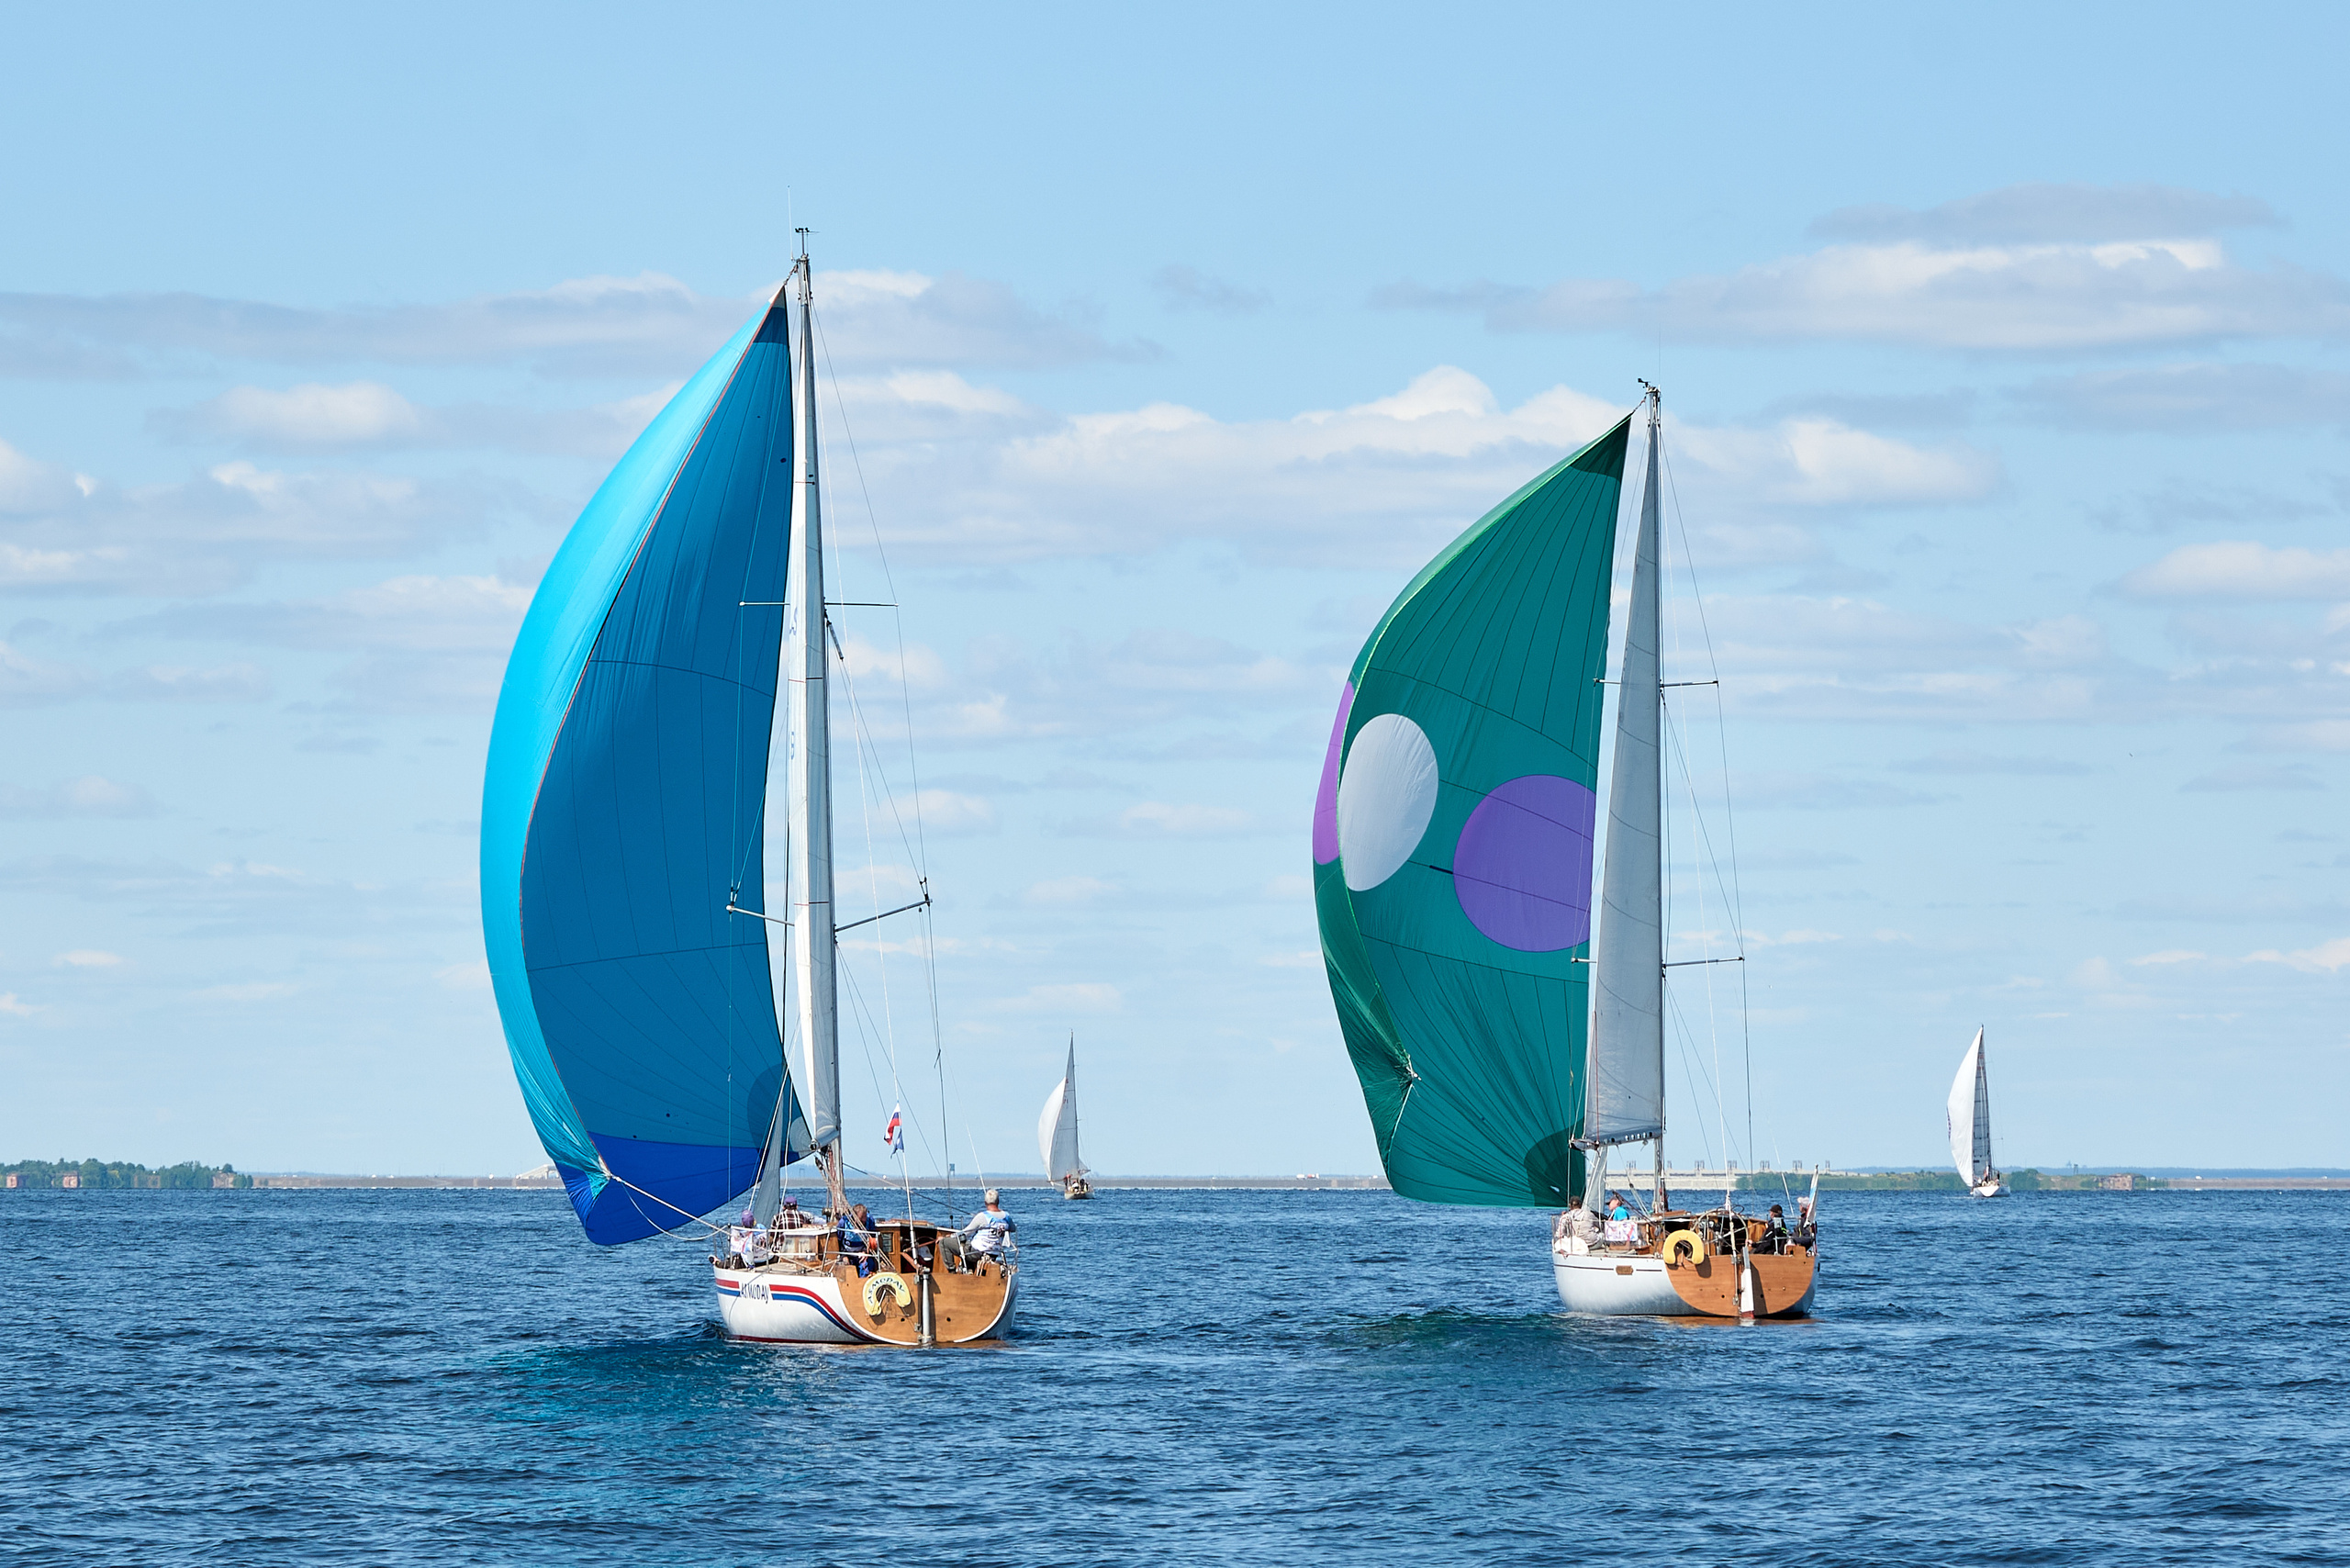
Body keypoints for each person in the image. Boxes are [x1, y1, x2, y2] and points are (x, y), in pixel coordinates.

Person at [946, 1189, 1017, 1271]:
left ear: (985, 1202)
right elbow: (1013, 1229)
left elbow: (967, 1233)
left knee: (945, 1243)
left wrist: (951, 1236)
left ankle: (951, 1272)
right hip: (994, 1253)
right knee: (969, 1245)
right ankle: (970, 1270)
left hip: (977, 1253)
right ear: (998, 1201)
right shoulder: (1006, 1216)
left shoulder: (982, 1216)